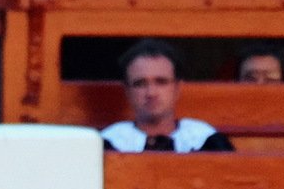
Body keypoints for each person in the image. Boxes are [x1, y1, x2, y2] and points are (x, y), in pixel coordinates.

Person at [101, 39, 235, 154]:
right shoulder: (106, 144)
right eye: (140, 84)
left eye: (161, 82)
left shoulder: (208, 142)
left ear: (178, 87)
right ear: (127, 91)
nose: (151, 93)